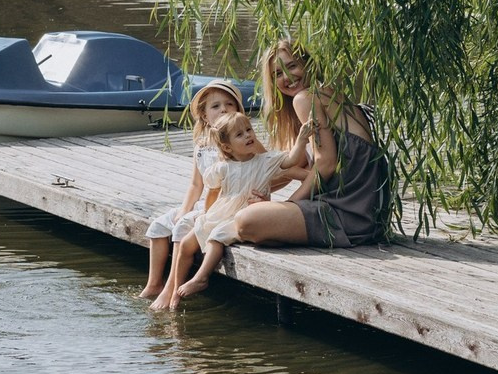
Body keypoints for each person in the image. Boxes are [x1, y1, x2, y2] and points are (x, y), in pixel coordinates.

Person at [233, 39, 389, 250]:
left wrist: (287, 205)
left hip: (345, 213)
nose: (287, 77)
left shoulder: (305, 98)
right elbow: (306, 169)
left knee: (245, 220)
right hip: (367, 216)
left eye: (292, 66)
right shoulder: (328, 93)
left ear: (308, 64)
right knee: (255, 226)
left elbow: (326, 165)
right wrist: (266, 192)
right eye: (277, 74)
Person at [169, 109, 311, 305]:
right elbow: (212, 191)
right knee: (186, 243)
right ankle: (176, 291)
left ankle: (201, 277)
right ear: (227, 148)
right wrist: (206, 213)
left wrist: (302, 139)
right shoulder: (223, 167)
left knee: (216, 238)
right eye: (240, 134)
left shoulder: (265, 161)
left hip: (243, 216)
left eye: (249, 130)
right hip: (221, 212)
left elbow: (292, 160)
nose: (248, 135)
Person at [140, 79, 245, 300]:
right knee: (159, 227)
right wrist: (183, 211)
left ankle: (171, 288)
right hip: (202, 202)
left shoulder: (236, 143)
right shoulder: (202, 144)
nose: (223, 109)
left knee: (181, 231)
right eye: (215, 106)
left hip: (222, 206)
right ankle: (153, 284)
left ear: (238, 110)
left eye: (229, 104)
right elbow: (196, 185)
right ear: (205, 115)